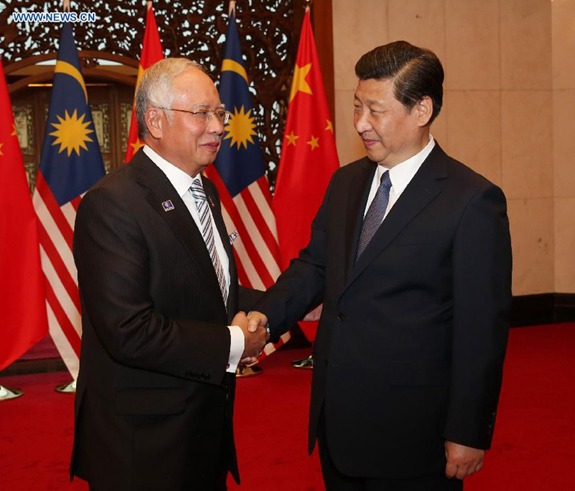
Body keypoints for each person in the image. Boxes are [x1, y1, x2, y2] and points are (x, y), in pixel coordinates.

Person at [248, 41, 512, 490]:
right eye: (356, 106)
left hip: (413, 433)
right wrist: (267, 316)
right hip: (339, 420)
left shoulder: (471, 201)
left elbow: (481, 330)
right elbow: (316, 266)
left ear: (422, 109)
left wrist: (467, 432)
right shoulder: (346, 182)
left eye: (374, 110)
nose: (360, 124)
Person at [70, 58, 268, 491]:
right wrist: (235, 342)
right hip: (144, 447)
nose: (218, 126)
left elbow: (210, 291)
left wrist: (272, 309)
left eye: (219, 113)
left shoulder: (205, 189)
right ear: (155, 121)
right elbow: (128, 330)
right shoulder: (112, 204)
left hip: (201, 430)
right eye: (202, 113)